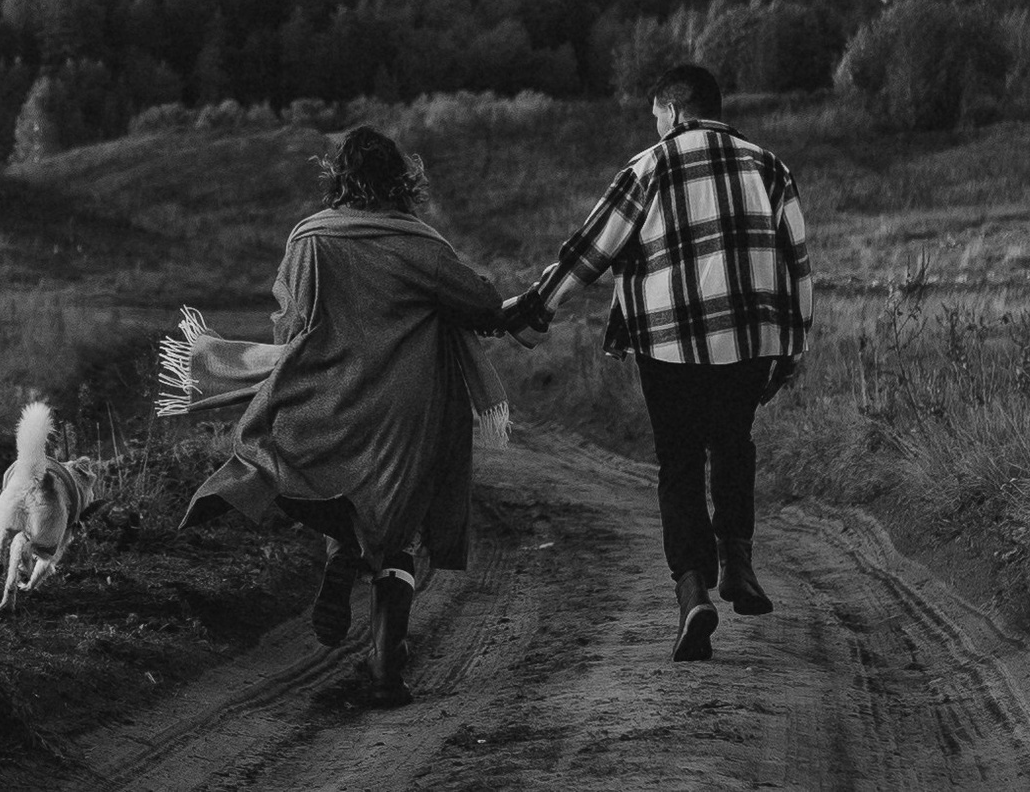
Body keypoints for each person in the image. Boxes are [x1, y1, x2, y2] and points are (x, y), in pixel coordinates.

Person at [156, 126, 507, 706]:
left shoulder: (309, 239)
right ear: (402, 178)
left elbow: (290, 326)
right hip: (402, 412)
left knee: (300, 474)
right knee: (395, 530)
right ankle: (384, 672)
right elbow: (483, 303)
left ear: (337, 178)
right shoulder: (418, 243)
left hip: (324, 396)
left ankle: (344, 551)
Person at [499, 63, 813, 662]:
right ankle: (738, 559)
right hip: (751, 341)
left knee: (677, 461)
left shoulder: (648, 168)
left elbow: (589, 252)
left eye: (656, 116)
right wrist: (793, 345)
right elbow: (796, 260)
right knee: (733, 442)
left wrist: (531, 311)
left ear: (673, 110)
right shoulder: (770, 167)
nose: (657, 125)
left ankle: (693, 591)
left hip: (668, 347)